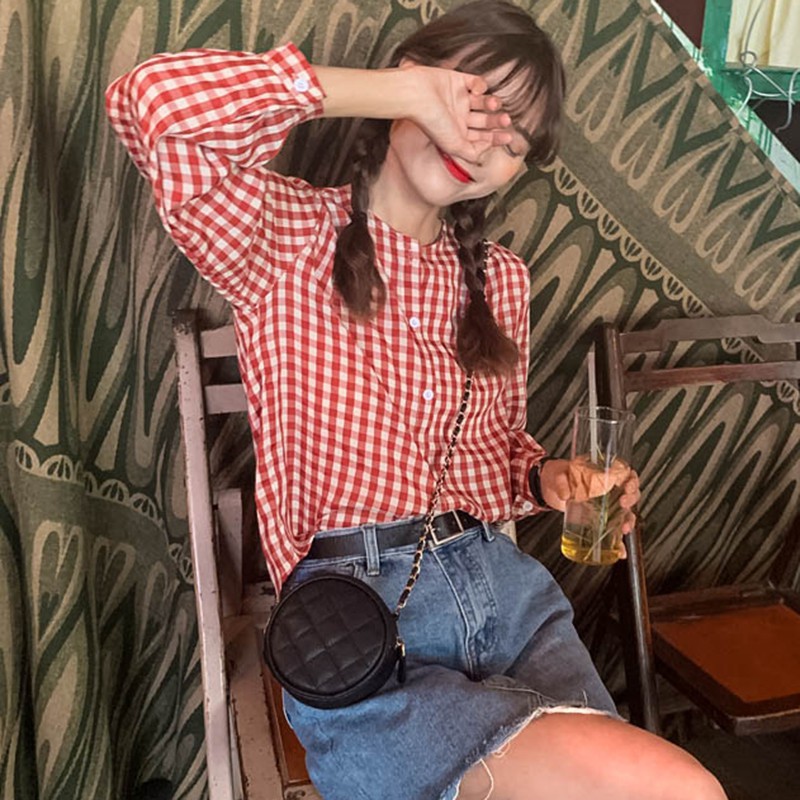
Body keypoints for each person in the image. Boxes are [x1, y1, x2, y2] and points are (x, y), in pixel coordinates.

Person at [106, 1, 727, 798]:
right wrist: (399, 92)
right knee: (673, 788)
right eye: (474, 104)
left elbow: (492, 455)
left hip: (509, 600)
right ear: (415, 81)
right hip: (360, 623)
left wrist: (551, 482)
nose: (485, 141)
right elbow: (152, 106)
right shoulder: (281, 234)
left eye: (514, 140)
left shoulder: (499, 280)